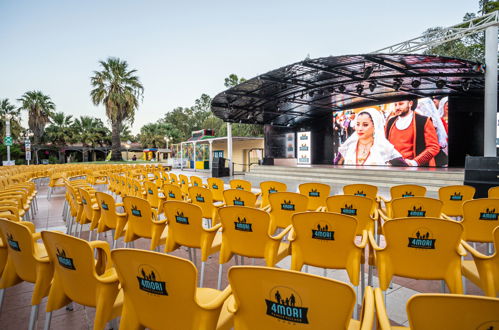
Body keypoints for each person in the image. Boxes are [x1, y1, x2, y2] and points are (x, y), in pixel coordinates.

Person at [334, 108, 404, 165]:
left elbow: (404, 169)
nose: (360, 128)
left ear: (375, 126)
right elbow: (335, 168)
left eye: (365, 125)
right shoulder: (348, 146)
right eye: (358, 124)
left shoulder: (384, 148)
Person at [385, 99, 440, 166]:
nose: (397, 107)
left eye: (401, 104)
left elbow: (433, 147)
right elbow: (385, 145)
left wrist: (415, 162)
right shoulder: (390, 122)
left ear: (410, 103)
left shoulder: (424, 121)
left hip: (417, 169)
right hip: (394, 167)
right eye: (395, 105)